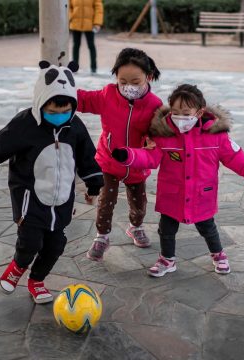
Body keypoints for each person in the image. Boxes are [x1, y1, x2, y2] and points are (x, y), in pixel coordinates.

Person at [0, 61, 103, 303]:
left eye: (64, 111)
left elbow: (87, 157)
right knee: (30, 242)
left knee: (56, 246)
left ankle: (37, 280)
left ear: (72, 107)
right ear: (40, 103)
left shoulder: (75, 126)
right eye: (52, 112)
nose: (58, 116)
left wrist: (93, 185)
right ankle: (17, 267)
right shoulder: (24, 124)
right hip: (30, 200)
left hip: (62, 201)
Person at [111, 84, 244, 277]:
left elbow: (239, 160)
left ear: (199, 112)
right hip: (172, 194)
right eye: (175, 112)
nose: (180, 117)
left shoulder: (216, 135)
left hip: (201, 195)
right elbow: (150, 157)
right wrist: (128, 155)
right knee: (166, 229)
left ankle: (218, 255)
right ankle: (167, 259)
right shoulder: (164, 135)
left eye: (186, 112)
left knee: (208, 228)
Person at [77, 47, 163, 261]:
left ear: (148, 77)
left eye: (135, 82)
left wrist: (154, 140)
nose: (128, 87)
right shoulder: (108, 95)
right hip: (108, 161)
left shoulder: (155, 105)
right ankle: (102, 237)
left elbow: (160, 131)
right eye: (122, 81)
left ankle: (136, 227)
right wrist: (60, 89)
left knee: (139, 204)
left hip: (136, 164)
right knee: (106, 202)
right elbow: (84, 100)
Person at [69, 0, 104, 74]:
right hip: (75, 23)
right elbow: (68, 7)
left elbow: (98, 8)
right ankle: (74, 68)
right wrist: (70, 17)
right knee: (76, 45)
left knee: (91, 46)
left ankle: (93, 68)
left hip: (90, 25)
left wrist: (97, 23)